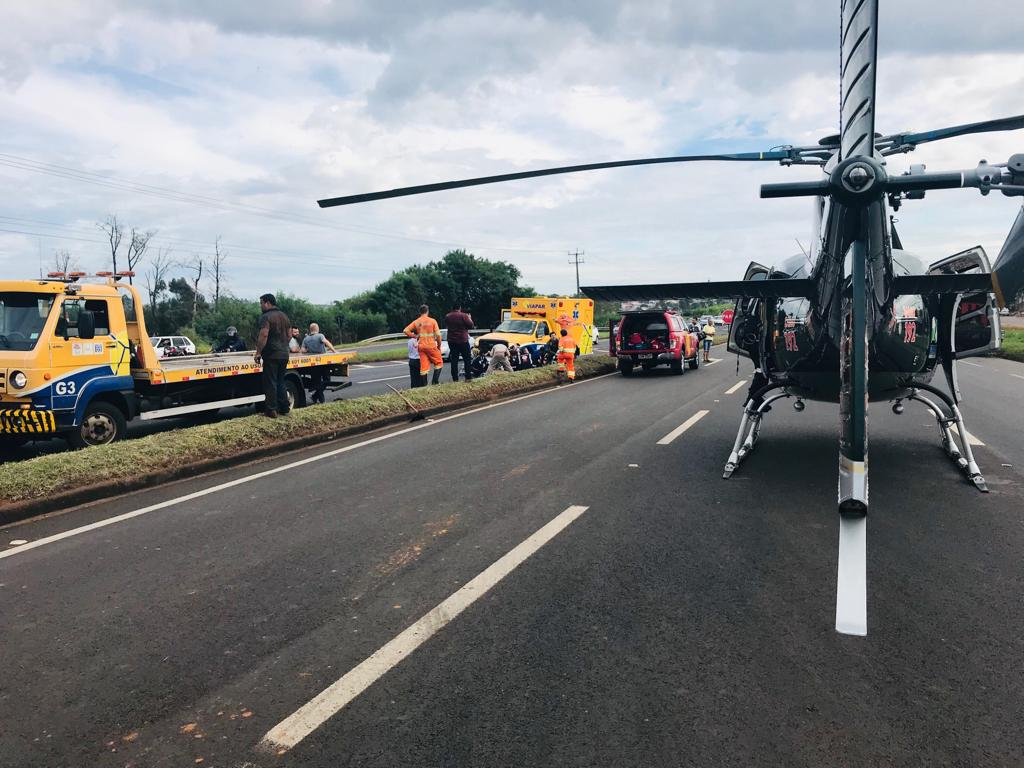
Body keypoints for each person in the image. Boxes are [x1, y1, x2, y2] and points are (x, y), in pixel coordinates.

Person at [254, 293, 291, 418]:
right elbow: (290, 335)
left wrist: (258, 352)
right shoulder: (284, 316)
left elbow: (264, 334)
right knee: (281, 381)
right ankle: (284, 408)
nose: (260, 306)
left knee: (270, 382)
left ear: (267, 303)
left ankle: (271, 410)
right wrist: (283, 345)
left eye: (261, 303)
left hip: (271, 355)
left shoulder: (266, 317)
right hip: (284, 354)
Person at [404, 304, 444, 385]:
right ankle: (435, 382)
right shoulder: (432, 321)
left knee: (424, 368)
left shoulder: (416, 321)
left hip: (421, 347)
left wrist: (415, 336)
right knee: (439, 363)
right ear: (427, 311)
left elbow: (405, 330)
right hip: (431, 345)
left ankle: (425, 386)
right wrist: (439, 346)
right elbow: (438, 335)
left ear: (420, 312)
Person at [301, 323, 337, 404]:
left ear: (310, 329)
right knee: (327, 380)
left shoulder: (306, 339)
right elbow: (326, 342)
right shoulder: (320, 336)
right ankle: (318, 398)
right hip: (322, 361)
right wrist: (334, 351)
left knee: (317, 382)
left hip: (313, 363)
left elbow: (302, 350)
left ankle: (320, 399)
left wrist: (308, 350)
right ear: (317, 329)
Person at [444, 301, 475, 381]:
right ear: (460, 308)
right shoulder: (464, 316)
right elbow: (471, 325)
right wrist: (470, 318)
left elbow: (447, 325)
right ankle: (468, 377)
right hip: (463, 340)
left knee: (454, 360)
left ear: (452, 308)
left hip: (452, 341)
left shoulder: (447, 316)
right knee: (467, 359)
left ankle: (455, 379)